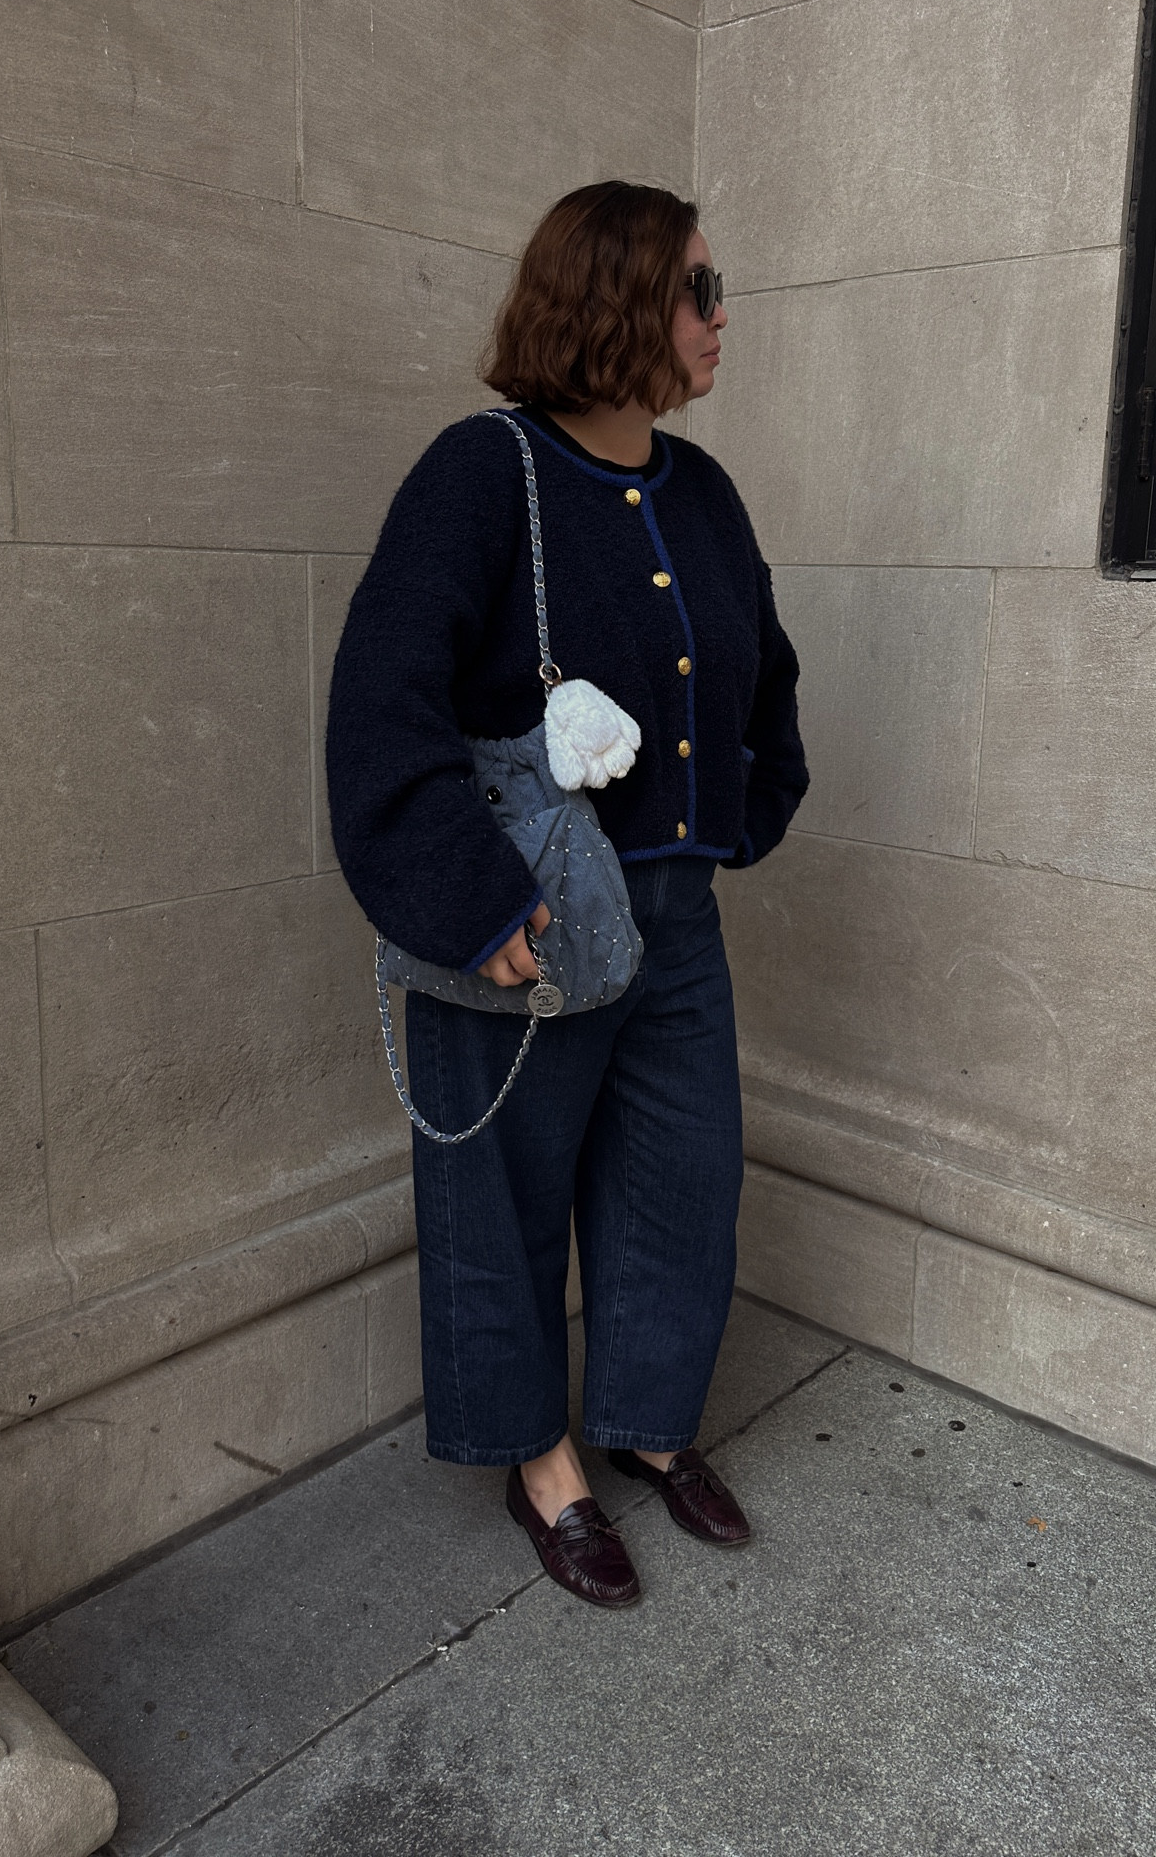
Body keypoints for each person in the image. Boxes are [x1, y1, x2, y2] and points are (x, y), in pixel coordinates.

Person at [326, 180, 809, 1609]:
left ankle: (651, 1421)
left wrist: (746, 806)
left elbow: (759, 676)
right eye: (700, 291)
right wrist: (473, 910)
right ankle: (541, 1464)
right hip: (526, 919)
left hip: (675, 912)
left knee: (685, 1177)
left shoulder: (701, 491)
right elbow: (379, 709)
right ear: (617, 303)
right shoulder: (484, 477)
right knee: (505, 1196)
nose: (724, 319)